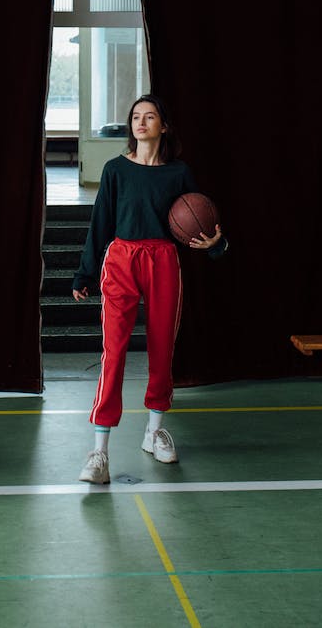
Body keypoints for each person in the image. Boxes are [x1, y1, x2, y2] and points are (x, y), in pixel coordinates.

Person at [72, 94, 226, 483]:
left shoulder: (178, 173)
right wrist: (85, 273)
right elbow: (100, 223)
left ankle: (153, 431)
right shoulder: (115, 170)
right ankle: (99, 451)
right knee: (114, 353)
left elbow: (198, 220)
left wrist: (216, 246)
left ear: (164, 126)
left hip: (163, 260)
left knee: (162, 349)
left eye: (150, 116)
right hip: (122, 258)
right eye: (136, 117)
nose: (141, 122)